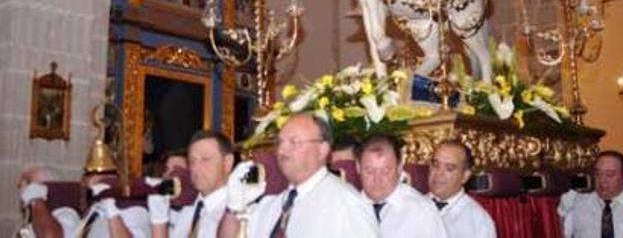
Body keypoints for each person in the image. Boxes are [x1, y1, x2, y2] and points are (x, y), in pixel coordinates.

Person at [218, 113, 378, 238]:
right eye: (280, 142)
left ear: (322, 149)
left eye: (294, 142)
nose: (282, 150)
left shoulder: (346, 204)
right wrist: (233, 207)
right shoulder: (273, 205)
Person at [18, 166, 150, 238]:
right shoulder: (86, 221)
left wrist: (111, 208)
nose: (81, 195)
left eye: (87, 191)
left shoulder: (133, 210)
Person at [356, 134, 447, 238]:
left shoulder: (421, 210)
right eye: (369, 171)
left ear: (399, 168)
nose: (377, 179)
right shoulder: (348, 207)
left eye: (385, 171)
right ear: (358, 167)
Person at [148, 131, 233, 238]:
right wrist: (159, 219)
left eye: (205, 159)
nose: (196, 168)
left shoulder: (236, 213)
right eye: (192, 161)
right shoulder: (188, 211)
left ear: (227, 162)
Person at [428, 140, 496, 238]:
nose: (438, 173)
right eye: (435, 165)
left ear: (465, 176)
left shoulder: (479, 221)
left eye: (449, 168)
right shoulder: (411, 206)